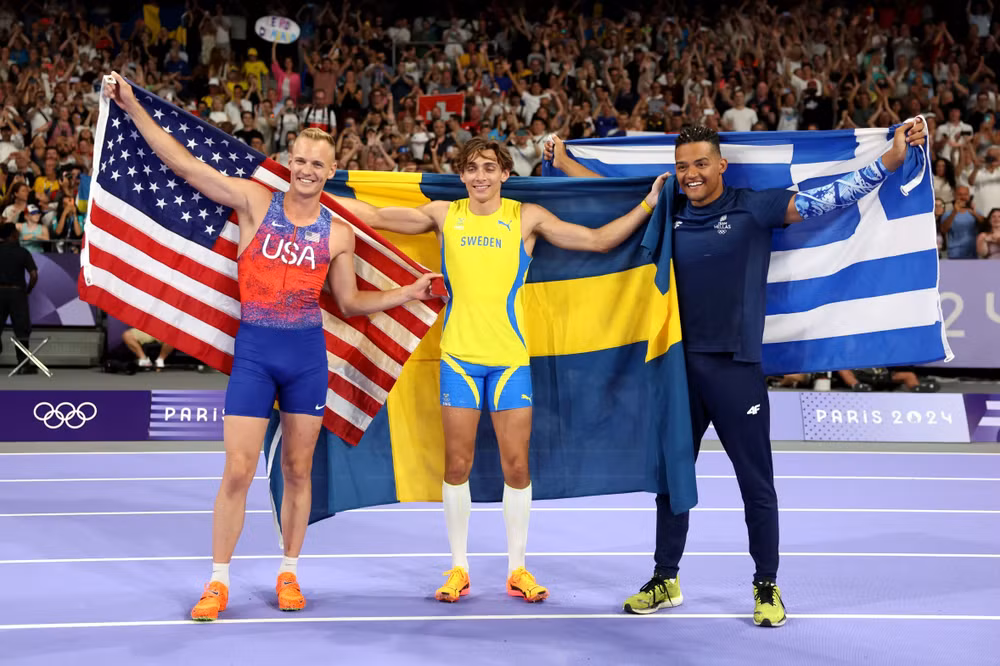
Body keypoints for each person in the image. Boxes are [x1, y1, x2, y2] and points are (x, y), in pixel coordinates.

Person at [546, 118, 928, 627]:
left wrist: (890, 162)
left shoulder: (754, 205)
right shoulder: (670, 207)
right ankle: (666, 578)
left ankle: (766, 585)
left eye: (701, 164)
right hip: (678, 368)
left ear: (722, 164)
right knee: (672, 478)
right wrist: (563, 158)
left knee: (756, 484)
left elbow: (826, 198)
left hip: (736, 368)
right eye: (682, 166)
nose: (691, 174)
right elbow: (609, 196)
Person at [103, 72, 442, 622]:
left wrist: (406, 292)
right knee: (237, 469)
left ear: (331, 172)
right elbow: (186, 166)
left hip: (308, 358)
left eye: (318, 164)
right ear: (290, 160)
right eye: (300, 160)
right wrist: (135, 107)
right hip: (256, 355)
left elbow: (350, 304)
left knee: (299, 470)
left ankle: (289, 571)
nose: (307, 170)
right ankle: (217, 582)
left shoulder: (339, 233)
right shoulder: (255, 201)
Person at [356, 137, 668, 604]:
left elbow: (599, 241)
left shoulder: (526, 218)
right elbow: (376, 216)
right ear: (461, 175)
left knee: (516, 466)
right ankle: (458, 567)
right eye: (471, 168)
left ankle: (517, 568)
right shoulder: (445, 214)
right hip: (459, 359)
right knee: (457, 465)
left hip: (510, 363)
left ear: (505, 173)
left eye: (488, 167)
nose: (480, 176)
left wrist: (648, 203)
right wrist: (305, 190)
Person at [0, 222, 37, 374]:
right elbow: (34, 275)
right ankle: (22, 364)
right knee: (21, 330)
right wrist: (27, 290)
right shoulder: (22, 252)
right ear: (12, 235)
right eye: (16, 232)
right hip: (17, 293)